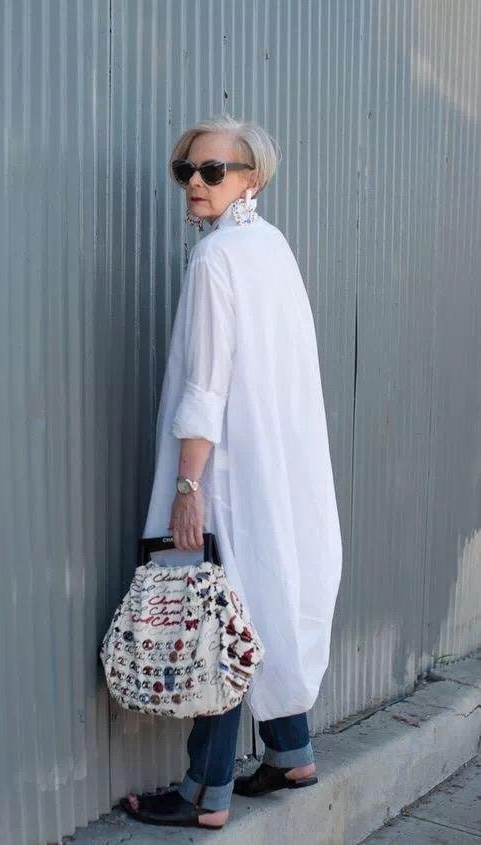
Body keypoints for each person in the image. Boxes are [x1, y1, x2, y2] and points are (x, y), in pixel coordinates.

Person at [119, 115, 343, 830]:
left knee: (218, 610)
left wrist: (188, 487)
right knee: (263, 596)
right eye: (186, 169)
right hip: (275, 463)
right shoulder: (271, 246)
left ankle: (204, 792)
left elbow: (205, 384)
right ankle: (291, 751)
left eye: (213, 170)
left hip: (226, 469)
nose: (195, 182)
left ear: (252, 178)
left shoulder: (217, 257)